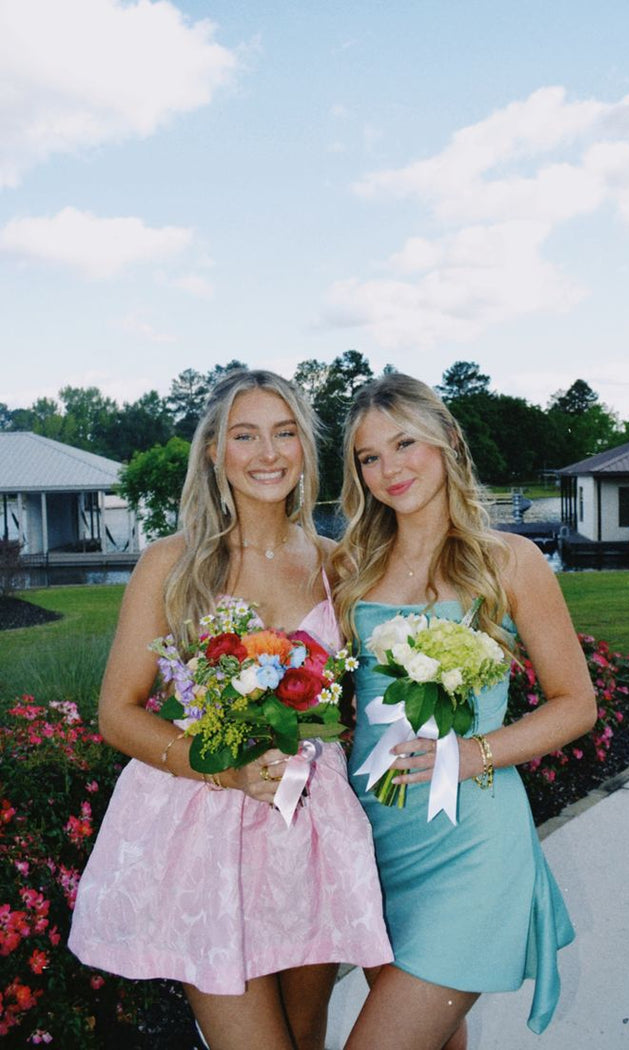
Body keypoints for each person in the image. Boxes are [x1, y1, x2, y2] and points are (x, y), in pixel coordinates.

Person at [68, 369, 392, 1050]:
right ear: (215, 452)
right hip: (205, 834)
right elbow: (118, 713)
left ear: (305, 448)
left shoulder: (343, 566)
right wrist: (225, 769)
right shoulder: (173, 564)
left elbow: (348, 710)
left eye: (284, 434)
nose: (267, 453)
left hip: (310, 833)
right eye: (245, 435)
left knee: (306, 1038)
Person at [332, 373, 597, 1050]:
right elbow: (335, 709)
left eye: (405, 443)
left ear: (448, 440)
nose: (389, 469)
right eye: (369, 457)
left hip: (472, 844)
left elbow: (576, 704)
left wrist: (469, 753)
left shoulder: (509, 561)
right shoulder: (351, 569)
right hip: (375, 845)